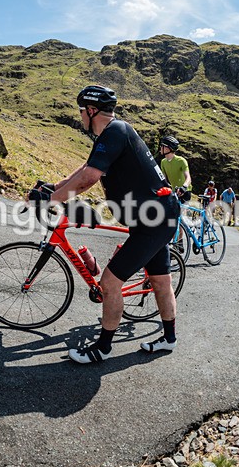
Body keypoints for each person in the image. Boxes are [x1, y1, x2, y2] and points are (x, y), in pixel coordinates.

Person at [29, 85, 180, 364]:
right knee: (160, 280)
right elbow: (84, 170)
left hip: (154, 220)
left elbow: (89, 179)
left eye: (81, 112)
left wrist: (52, 199)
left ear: (90, 110)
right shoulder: (113, 133)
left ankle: (103, 348)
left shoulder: (115, 131)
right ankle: (169, 340)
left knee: (110, 282)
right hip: (156, 216)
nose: (80, 118)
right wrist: (56, 188)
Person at [159, 135, 191, 203]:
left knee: (182, 212)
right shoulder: (163, 162)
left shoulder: (181, 161)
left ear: (168, 148)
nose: (160, 147)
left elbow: (188, 177)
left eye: (162, 146)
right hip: (174, 191)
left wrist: (184, 187)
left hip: (185, 191)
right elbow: (164, 180)